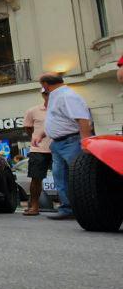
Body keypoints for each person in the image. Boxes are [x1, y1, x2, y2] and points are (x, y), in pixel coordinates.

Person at [40, 73, 93, 220]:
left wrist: (85, 141)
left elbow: (83, 119)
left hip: (71, 141)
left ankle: (83, 209)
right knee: (60, 177)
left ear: (45, 84)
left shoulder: (66, 96)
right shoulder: (56, 96)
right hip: (58, 143)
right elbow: (57, 120)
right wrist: (43, 134)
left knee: (78, 177)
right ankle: (67, 207)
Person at [21, 93, 52, 217]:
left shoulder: (60, 110)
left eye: (50, 93)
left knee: (63, 178)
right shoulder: (32, 111)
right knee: (35, 178)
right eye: (45, 94)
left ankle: (67, 206)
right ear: (42, 95)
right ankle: (34, 206)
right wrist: (36, 139)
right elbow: (28, 128)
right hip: (38, 149)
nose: (48, 96)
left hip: (58, 148)